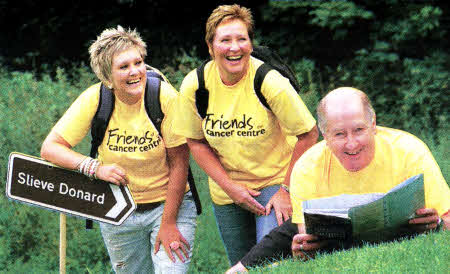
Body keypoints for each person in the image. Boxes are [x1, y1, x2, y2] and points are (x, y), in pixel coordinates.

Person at [227, 87, 450, 273]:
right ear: (324, 135)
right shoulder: (307, 166)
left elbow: (447, 219)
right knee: (283, 235)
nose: (352, 144)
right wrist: (304, 250)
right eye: (339, 134)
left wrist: (437, 224)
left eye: (359, 130)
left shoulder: (410, 150)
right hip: (337, 235)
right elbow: (305, 234)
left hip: (402, 227)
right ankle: (236, 270)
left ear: (373, 124)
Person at [40, 26, 197, 273]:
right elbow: (50, 148)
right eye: (124, 67)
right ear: (107, 77)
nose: (135, 72)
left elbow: (180, 161)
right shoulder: (95, 99)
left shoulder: (163, 96)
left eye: (139, 62)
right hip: (117, 208)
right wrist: (95, 168)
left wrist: (168, 223)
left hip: (169, 205)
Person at [173, 4, 318, 266]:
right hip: (226, 189)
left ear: (250, 43)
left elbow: (309, 133)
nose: (234, 47)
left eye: (242, 39)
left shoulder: (269, 81)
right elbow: (195, 141)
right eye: (225, 40)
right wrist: (230, 188)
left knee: (268, 263)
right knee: (240, 264)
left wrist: (286, 189)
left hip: (274, 183)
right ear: (210, 46)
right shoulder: (196, 85)